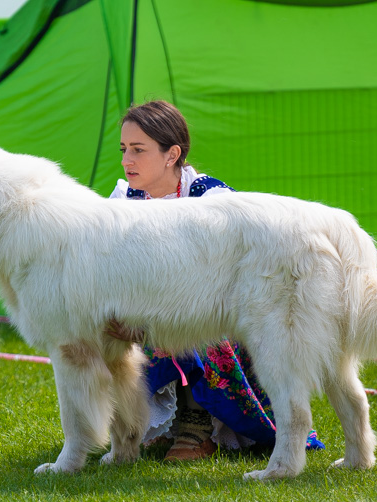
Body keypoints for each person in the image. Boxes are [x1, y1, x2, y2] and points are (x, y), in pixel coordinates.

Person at [107, 100, 323, 461]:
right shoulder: (121, 202)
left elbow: (235, 281)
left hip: (220, 317)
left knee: (201, 331)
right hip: (147, 323)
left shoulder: (212, 200)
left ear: (171, 154)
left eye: (139, 150)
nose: (127, 160)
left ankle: (197, 424)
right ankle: (141, 429)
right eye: (124, 149)